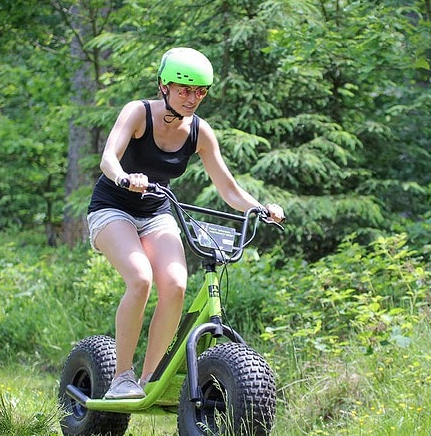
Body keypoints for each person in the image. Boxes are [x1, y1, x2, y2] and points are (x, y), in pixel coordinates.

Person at [86, 47, 286, 399]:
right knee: (141, 278)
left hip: (157, 212)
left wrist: (260, 208)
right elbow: (108, 158)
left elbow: (227, 187)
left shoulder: (200, 132)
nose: (192, 98)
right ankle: (121, 377)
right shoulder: (138, 112)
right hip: (112, 207)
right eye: (184, 89)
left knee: (176, 285)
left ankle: (149, 381)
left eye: (200, 91)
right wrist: (124, 178)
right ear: (164, 86)